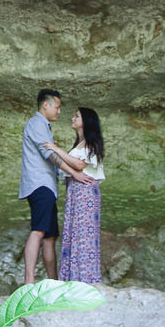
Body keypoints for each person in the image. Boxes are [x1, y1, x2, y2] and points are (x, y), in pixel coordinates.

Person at [47, 108, 106, 285]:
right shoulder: (80, 144)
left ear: (86, 121)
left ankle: (86, 281)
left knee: (84, 237)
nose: (72, 118)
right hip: (75, 191)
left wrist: (55, 148)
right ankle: (73, 280)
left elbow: (80, 165)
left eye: (77, 116)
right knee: (74, 234)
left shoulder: (91, 143)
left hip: (86, 192)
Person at [19, 88, 64, 287]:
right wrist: (74, 170)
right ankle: (29, 282)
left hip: (47, 186)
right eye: (58, 107)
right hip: (40, 185)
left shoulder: (44, 126)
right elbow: (49, 155)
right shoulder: (36, 123)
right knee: (38, 231)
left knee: (50, 237)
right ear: (46, 105)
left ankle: (53, 283)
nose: (59, 112)